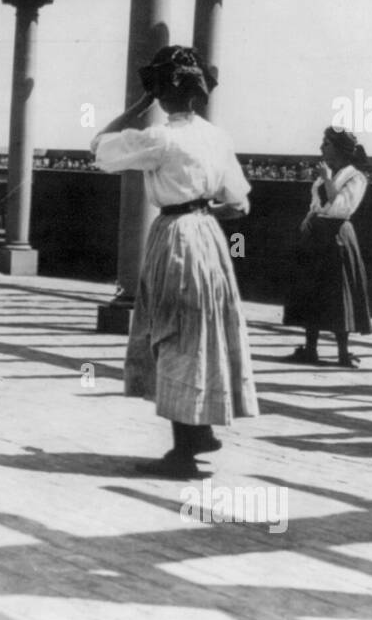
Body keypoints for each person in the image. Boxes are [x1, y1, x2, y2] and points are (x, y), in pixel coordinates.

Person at [90, 45, 259, 474]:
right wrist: (202, 211)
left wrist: (138, 105)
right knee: (202, 330)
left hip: (174, 237)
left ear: (163, 93)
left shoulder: (161, 137)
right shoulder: (217, 137)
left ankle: (184, 450)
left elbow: (100, 148)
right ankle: (197, 431)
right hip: (208, 236)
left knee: (172, 333)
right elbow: (239, 204)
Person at [281, 127, 372, 367]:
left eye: (327, 144)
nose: (321, 148)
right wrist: (309, 217)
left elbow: (341, 206)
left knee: (338, 293)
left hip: (337, 237)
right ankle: (310, 349)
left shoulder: (355, 177)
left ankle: (343, 353)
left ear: (340, 149)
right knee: (312, 291)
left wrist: (328, 179)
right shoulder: (327, 173)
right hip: (316, 236)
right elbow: (318, 202)